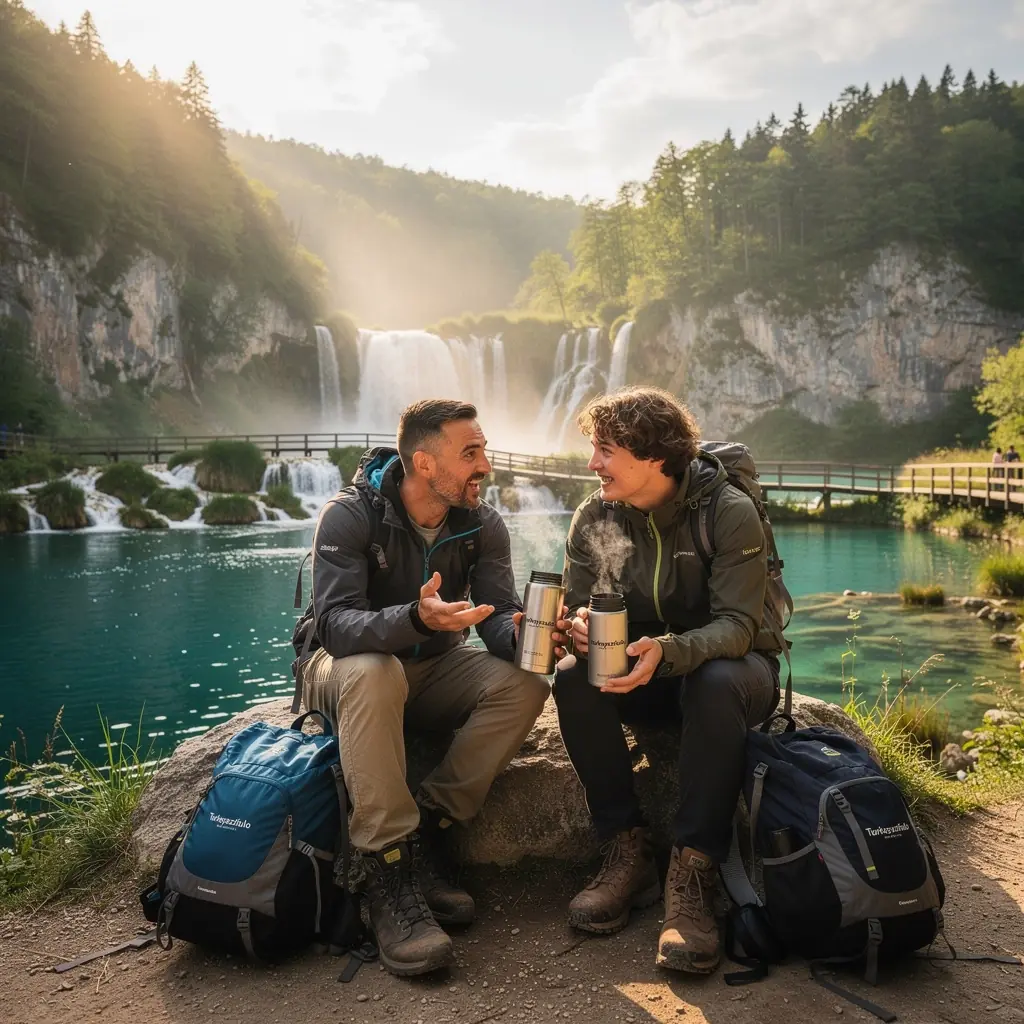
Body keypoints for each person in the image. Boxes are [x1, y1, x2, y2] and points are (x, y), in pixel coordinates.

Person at [294, 398, 555, 978]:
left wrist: (523, 635)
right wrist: (415, 618)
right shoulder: (350, 515)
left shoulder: (480, 522)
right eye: (472, 453)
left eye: (483, 449)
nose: (485, 464)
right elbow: (335, 626)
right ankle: (386, 867)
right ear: (425, 464)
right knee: (373, 669)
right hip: (341, 668)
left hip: (432, 667)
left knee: (527, 680)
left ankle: (429, 832)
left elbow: (495, 614)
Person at [553, 386, 781, 976]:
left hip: (732, 673)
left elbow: (737, 626)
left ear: (653, 456)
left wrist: (671, 651)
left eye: (604, 450)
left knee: (715, 681)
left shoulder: (726, 511)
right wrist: (578, 627)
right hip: (645, 669)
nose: (592, 464)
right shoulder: (595, 516)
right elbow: (584, 603)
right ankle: (626, 851)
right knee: (575, 676)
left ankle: (695, 870)